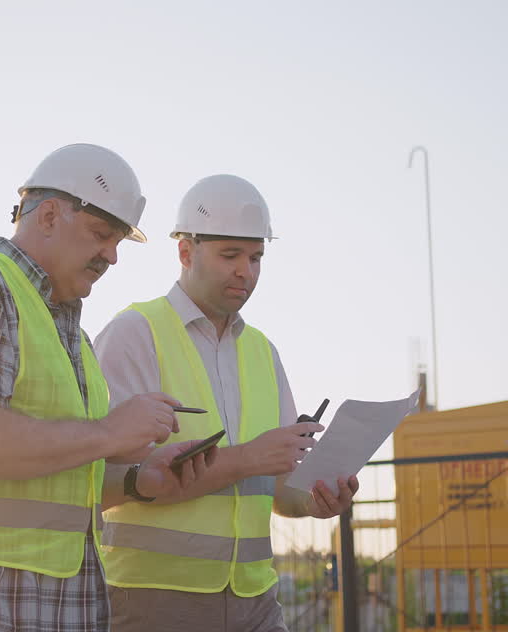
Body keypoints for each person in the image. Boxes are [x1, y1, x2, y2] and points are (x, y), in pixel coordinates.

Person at [0, 143, 214, 632]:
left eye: (119, 242)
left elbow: (57, 482)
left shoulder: (73, 338)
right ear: (47, 216)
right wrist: (111, 433)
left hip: (56, 603)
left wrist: (136, 480)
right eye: (101, 234)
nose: (111, 255)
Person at [95, 174, 359, 632]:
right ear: (185, 252)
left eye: (256, 257)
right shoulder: (135, 333)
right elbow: (108, 479)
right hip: (152, 598)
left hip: (255, 598)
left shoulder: (261, 351)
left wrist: (316, 501)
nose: (246, 271)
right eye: (231, 255)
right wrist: (249, 457)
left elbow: (279, 492)